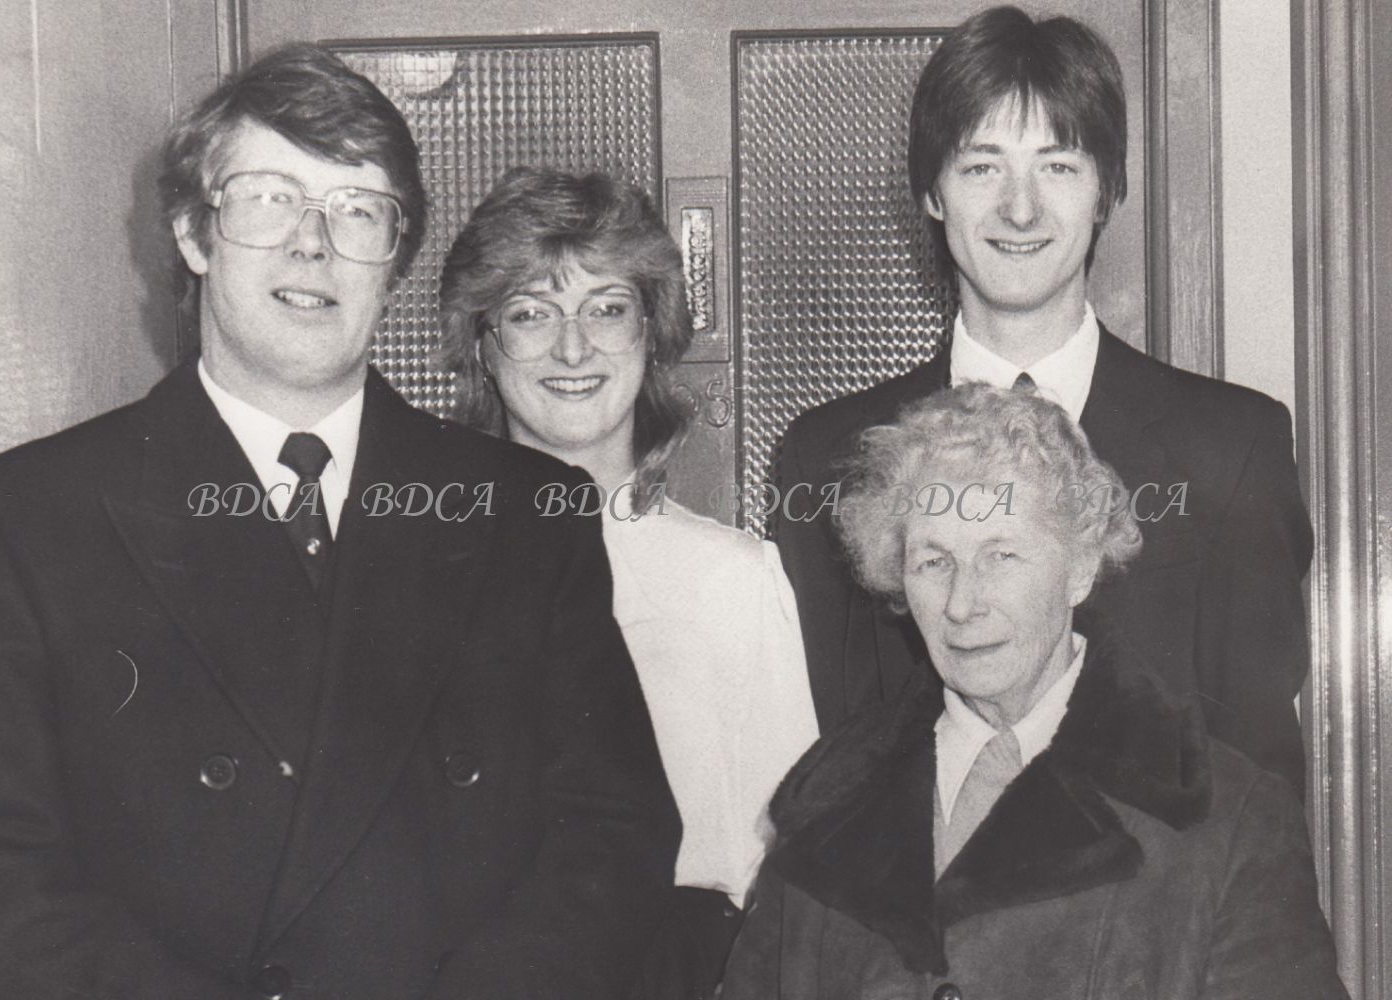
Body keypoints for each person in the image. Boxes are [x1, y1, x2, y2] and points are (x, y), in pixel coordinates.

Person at [0, 45, 680, 1000]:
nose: (312, 243)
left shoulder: (529, 513)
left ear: (394, 260)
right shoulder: (27, 518)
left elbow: (614, 837)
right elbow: (1, 878)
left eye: (357, 210)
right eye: (269, 198)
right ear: (193, 233)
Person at [775, 4, 1314, 795]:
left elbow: (1261, 788)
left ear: (1106, 191)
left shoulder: (1233, 448)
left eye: (1057, 166)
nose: (1020, 209)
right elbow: (824, 771)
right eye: (981, 167)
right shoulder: (827, 457)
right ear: (932, 192)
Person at [723, 383, 1346, 1000]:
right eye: (934, 562)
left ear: (1079, 567)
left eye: (1001, 557)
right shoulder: (828, 797)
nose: (962, 605)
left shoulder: (1228, 818)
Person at [438, 167, 819, 999]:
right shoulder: (427, 577)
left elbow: (790, 879)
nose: (573, 349)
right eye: (530, 314)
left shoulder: (734, 580)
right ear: (481, 347)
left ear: (653, 333)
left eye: (607, 309)